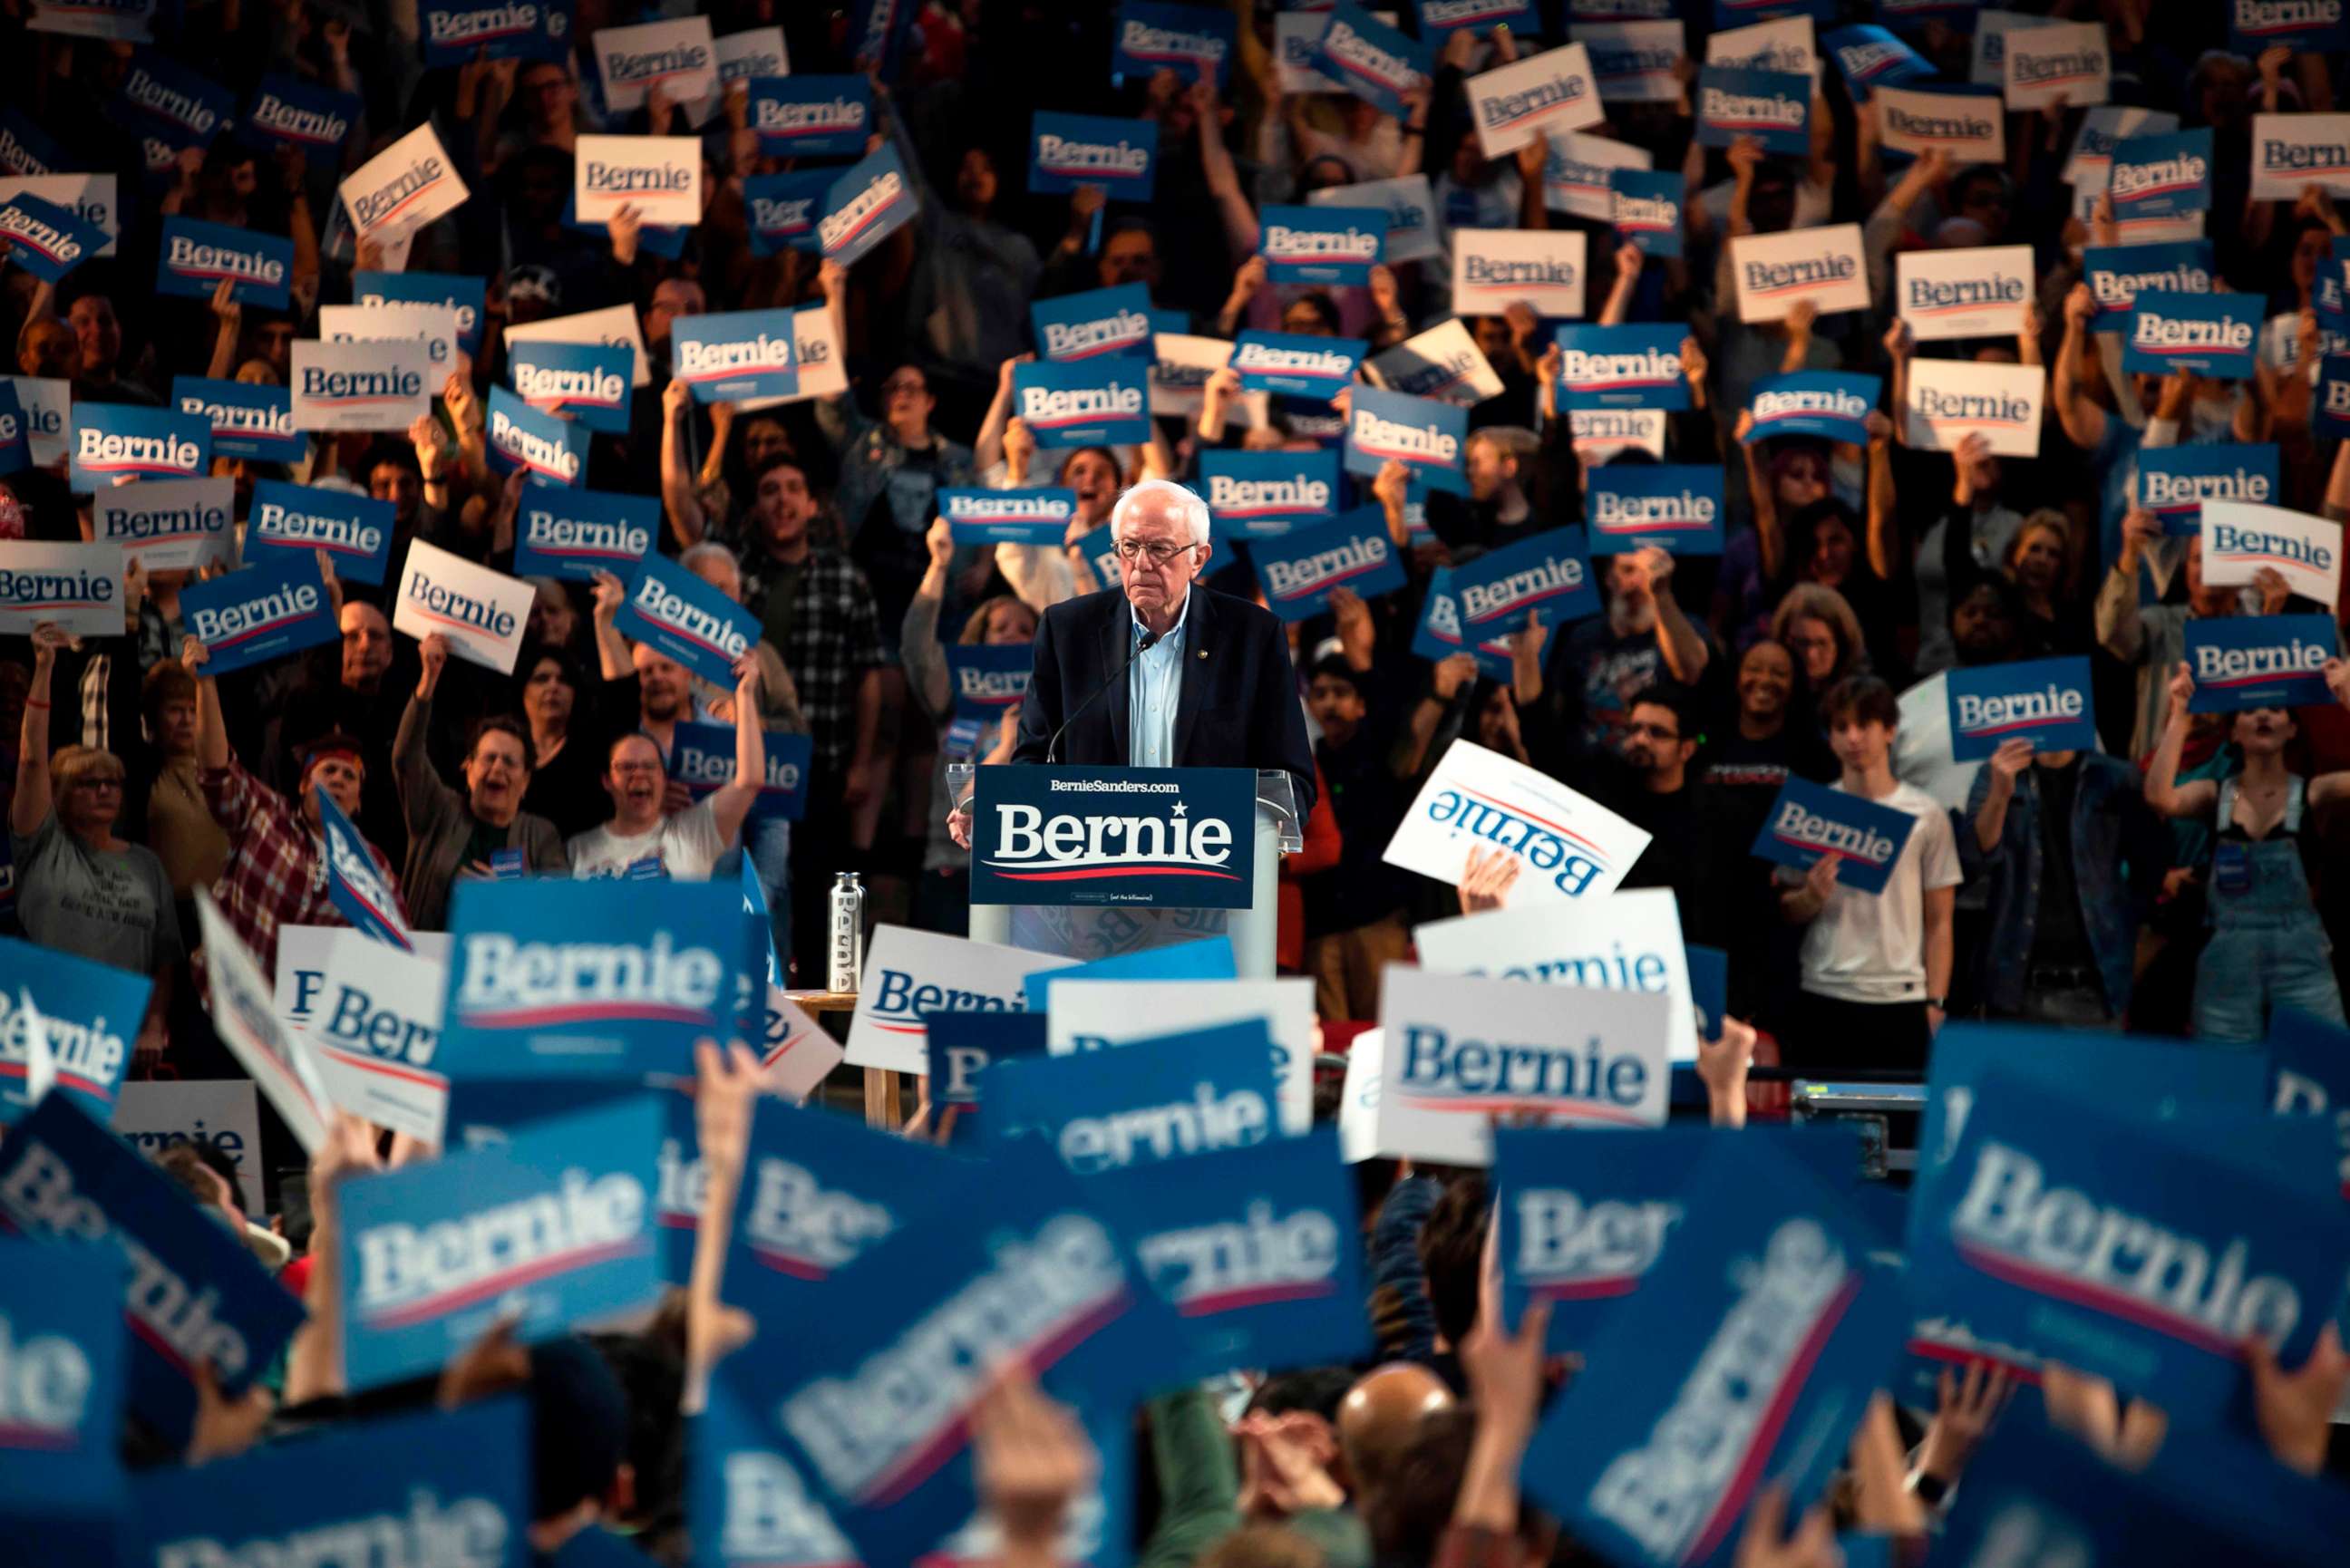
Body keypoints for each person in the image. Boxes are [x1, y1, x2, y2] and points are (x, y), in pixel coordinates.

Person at [959, 479, 1316, 846]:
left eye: (1160, 548)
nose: (1142, 564)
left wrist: (1260, 833)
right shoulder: (1067, 631)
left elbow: (1291, 776)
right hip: (1089, 866)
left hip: (1212, 872)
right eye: (1130, 547)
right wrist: (1000, 807)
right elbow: (1034, 758)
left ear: (1199, 558)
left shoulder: (1252, 635)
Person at [2143, 660, 2350, 1042]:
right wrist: (2180, 716)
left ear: (2291, 729)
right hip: (2228, 964)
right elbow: (2159, 796)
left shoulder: (2315, 792)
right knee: (2225, 1085)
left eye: (2275, 710)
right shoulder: (2212, 793)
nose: (2263, 716)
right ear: (2233, 733)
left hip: (2302, 963)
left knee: (2327, 1073)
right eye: (2250, 711)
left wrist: (2348, 698)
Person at [186, 634, 404, 979]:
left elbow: (395, 955)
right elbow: (215, 769)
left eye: (349, 776)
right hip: (219, 1002)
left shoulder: (376, 870)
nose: (338, 779)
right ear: (303, 785)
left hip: (294, 1027)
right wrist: (206, 683)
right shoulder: (264, 814)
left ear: (359, 801)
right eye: (328, 770)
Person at [11, 624, 178, 1065]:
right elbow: (31, 761)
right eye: (89, 783)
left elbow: (164, 959)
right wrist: (45, 668)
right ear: (61, 793)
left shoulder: (146, 864)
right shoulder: (43, 848)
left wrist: (155, 1024)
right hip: (47, 1031)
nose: (105, 790)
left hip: (123, 1037)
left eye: (113, 783)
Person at [1778, 676, 1962, 1074]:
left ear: (1890, 731)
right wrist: (1810, 897)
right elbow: (1786, 909)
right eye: (1842, 728)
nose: (1854, 738)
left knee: (1899, 1124)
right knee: (1824, 1126)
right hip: (1824, 991)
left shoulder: (1926, 815)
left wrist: (1936, 1002)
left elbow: (1940, 921)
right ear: (1830, 738)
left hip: (1900, 997)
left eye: (1865, 726)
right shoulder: (1811, 811)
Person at [1966, 736, 2170, 1029]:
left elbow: (2151, 862)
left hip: (2095, 988)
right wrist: (2000, 792)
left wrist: (2125, 927)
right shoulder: (1995, 773)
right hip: (2015, 987)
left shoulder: (2115, 776)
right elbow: (1973, 857)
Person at [394, 634, 568, 929]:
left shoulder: (541, 835)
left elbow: (561, 906)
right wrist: (428, 680)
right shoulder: (437, 810)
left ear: (525, 781)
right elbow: (406, 756)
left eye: (510, 762)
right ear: (468, 767)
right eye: (489, 758)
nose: (497, 768)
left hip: (501, 966)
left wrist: (514, 894)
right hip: (426, 962)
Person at [566, 655, 766, 881]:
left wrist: (745, 694)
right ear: (607, 781)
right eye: (627, 766)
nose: (639, 774)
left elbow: (750, 780)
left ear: (664, 778)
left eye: (650, 766)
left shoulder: (694, 834)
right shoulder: (578, 849)